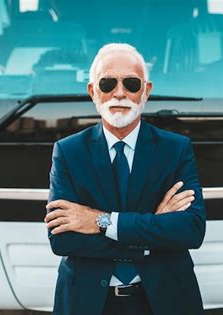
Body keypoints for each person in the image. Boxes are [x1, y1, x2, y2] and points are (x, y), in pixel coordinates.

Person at [44, 43, 206, 315]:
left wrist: (99, 221)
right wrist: (154, 228)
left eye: (131, 83)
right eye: (107, 83)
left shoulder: (176, 149)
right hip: (87, 301)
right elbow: (62, 240)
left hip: (165, 299)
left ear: (146, 91)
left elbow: (191, 229)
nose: (119, 93)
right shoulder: (68, 152)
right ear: (93, 91)